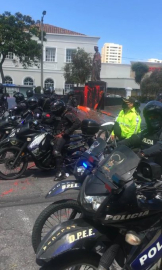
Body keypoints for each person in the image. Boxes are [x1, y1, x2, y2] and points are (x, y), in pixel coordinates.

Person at [118, 100, 162, 167]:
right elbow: (132, 139)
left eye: (156, 117)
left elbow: (159, 146)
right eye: (150, 117)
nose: (153, 119)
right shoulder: (145, 132)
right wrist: (117, 145)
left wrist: (143, 153)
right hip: (141, 167)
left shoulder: (160, 133)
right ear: (147, 118)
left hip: (157, 170)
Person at [50, 100, 81, 181]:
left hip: (64, 136)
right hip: (56, 134)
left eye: (55, 109)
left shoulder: (68, 114)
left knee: (56, 151)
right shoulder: (60, 114)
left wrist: (64, 133)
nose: (54, 111)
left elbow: (77, 123)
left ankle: (60, 172)